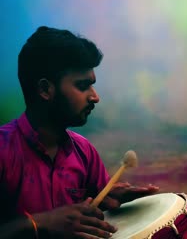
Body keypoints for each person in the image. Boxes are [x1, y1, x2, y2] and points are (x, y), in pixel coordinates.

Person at [0, 26, 159, 238]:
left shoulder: (84, 151)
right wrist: (42, 222)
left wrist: (104, 199)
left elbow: (90, 218)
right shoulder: (3, 151)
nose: (95, 97)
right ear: (45, 90)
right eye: (83, 86)